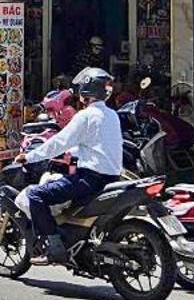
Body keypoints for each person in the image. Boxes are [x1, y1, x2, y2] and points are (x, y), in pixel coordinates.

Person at [18, 67, 124, 264]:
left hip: (89, 180)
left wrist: (29, 157)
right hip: (112, 179)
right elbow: (92, 144)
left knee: (36, 195)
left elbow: (59, 142)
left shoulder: (85, 116)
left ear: (85, 92)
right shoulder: (112, 115)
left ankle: (55, 247)